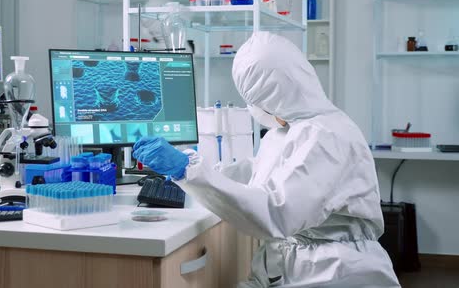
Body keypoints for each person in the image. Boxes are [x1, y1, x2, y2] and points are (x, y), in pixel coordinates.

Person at [133, 32, 400, 287]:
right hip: (295, 269)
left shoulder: (326, 137)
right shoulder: (289, 130)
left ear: (275, 96)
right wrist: (195, 168)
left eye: (254, 101)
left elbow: (275, 212)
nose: (254, 110)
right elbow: (256, 172)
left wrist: (189, 171)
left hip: (333, 273)